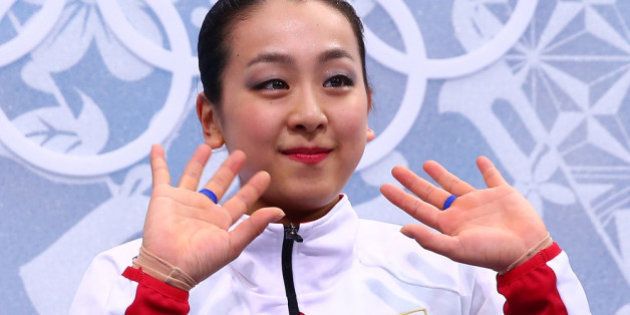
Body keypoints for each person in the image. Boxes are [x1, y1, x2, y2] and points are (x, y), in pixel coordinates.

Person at [70, 0, 591, 314]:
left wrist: (532, 274)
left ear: (367, 105)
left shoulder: (455, 273)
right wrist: (162, 292)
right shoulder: (129, 280)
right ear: (211, 118)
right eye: (274, 83)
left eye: (338, 80)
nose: (310, 112)